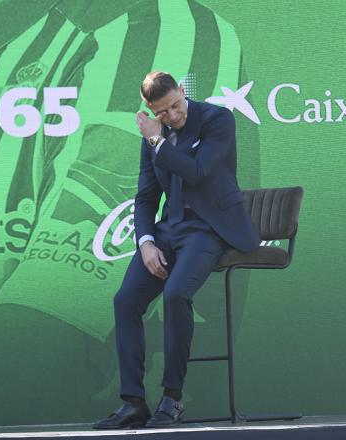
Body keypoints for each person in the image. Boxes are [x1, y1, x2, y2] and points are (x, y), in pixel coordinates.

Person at [93, 71, 260, 429]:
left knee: (176, 294)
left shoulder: (217, 119)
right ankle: (134, 401)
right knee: (125, 301)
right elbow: (145, 197)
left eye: (176, 106)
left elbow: (198, 172)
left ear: (183, 92)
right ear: (150, 110)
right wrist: (146, 242)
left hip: (209, 226)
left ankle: (172, 398)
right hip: (169, 229)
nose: (173, 116)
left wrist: (158, 143)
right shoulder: (154, 135)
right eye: (163, 112)